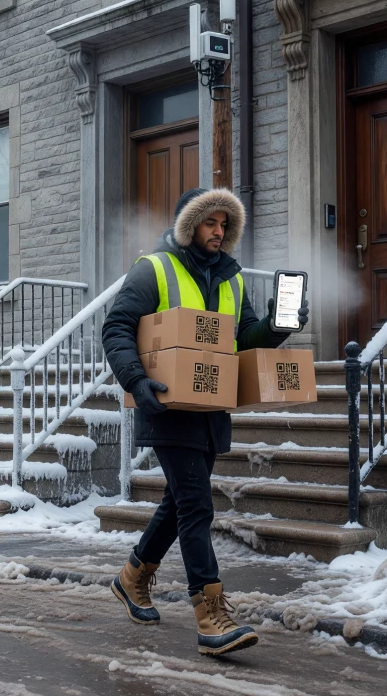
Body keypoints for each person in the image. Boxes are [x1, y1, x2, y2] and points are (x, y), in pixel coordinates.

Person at [102, 187, 308, 656]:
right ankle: (210, 613)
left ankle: (132, 578)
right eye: (210, 223)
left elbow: (245, 338)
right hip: (167, 407)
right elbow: (116, 326)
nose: (219, 231)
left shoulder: (232, 279)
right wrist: (135, 380)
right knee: (197, 506)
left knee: (179, 503)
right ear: (189, 224)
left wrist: (278, 324)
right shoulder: (154, 268)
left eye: (224, 224)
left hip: (211, 410)